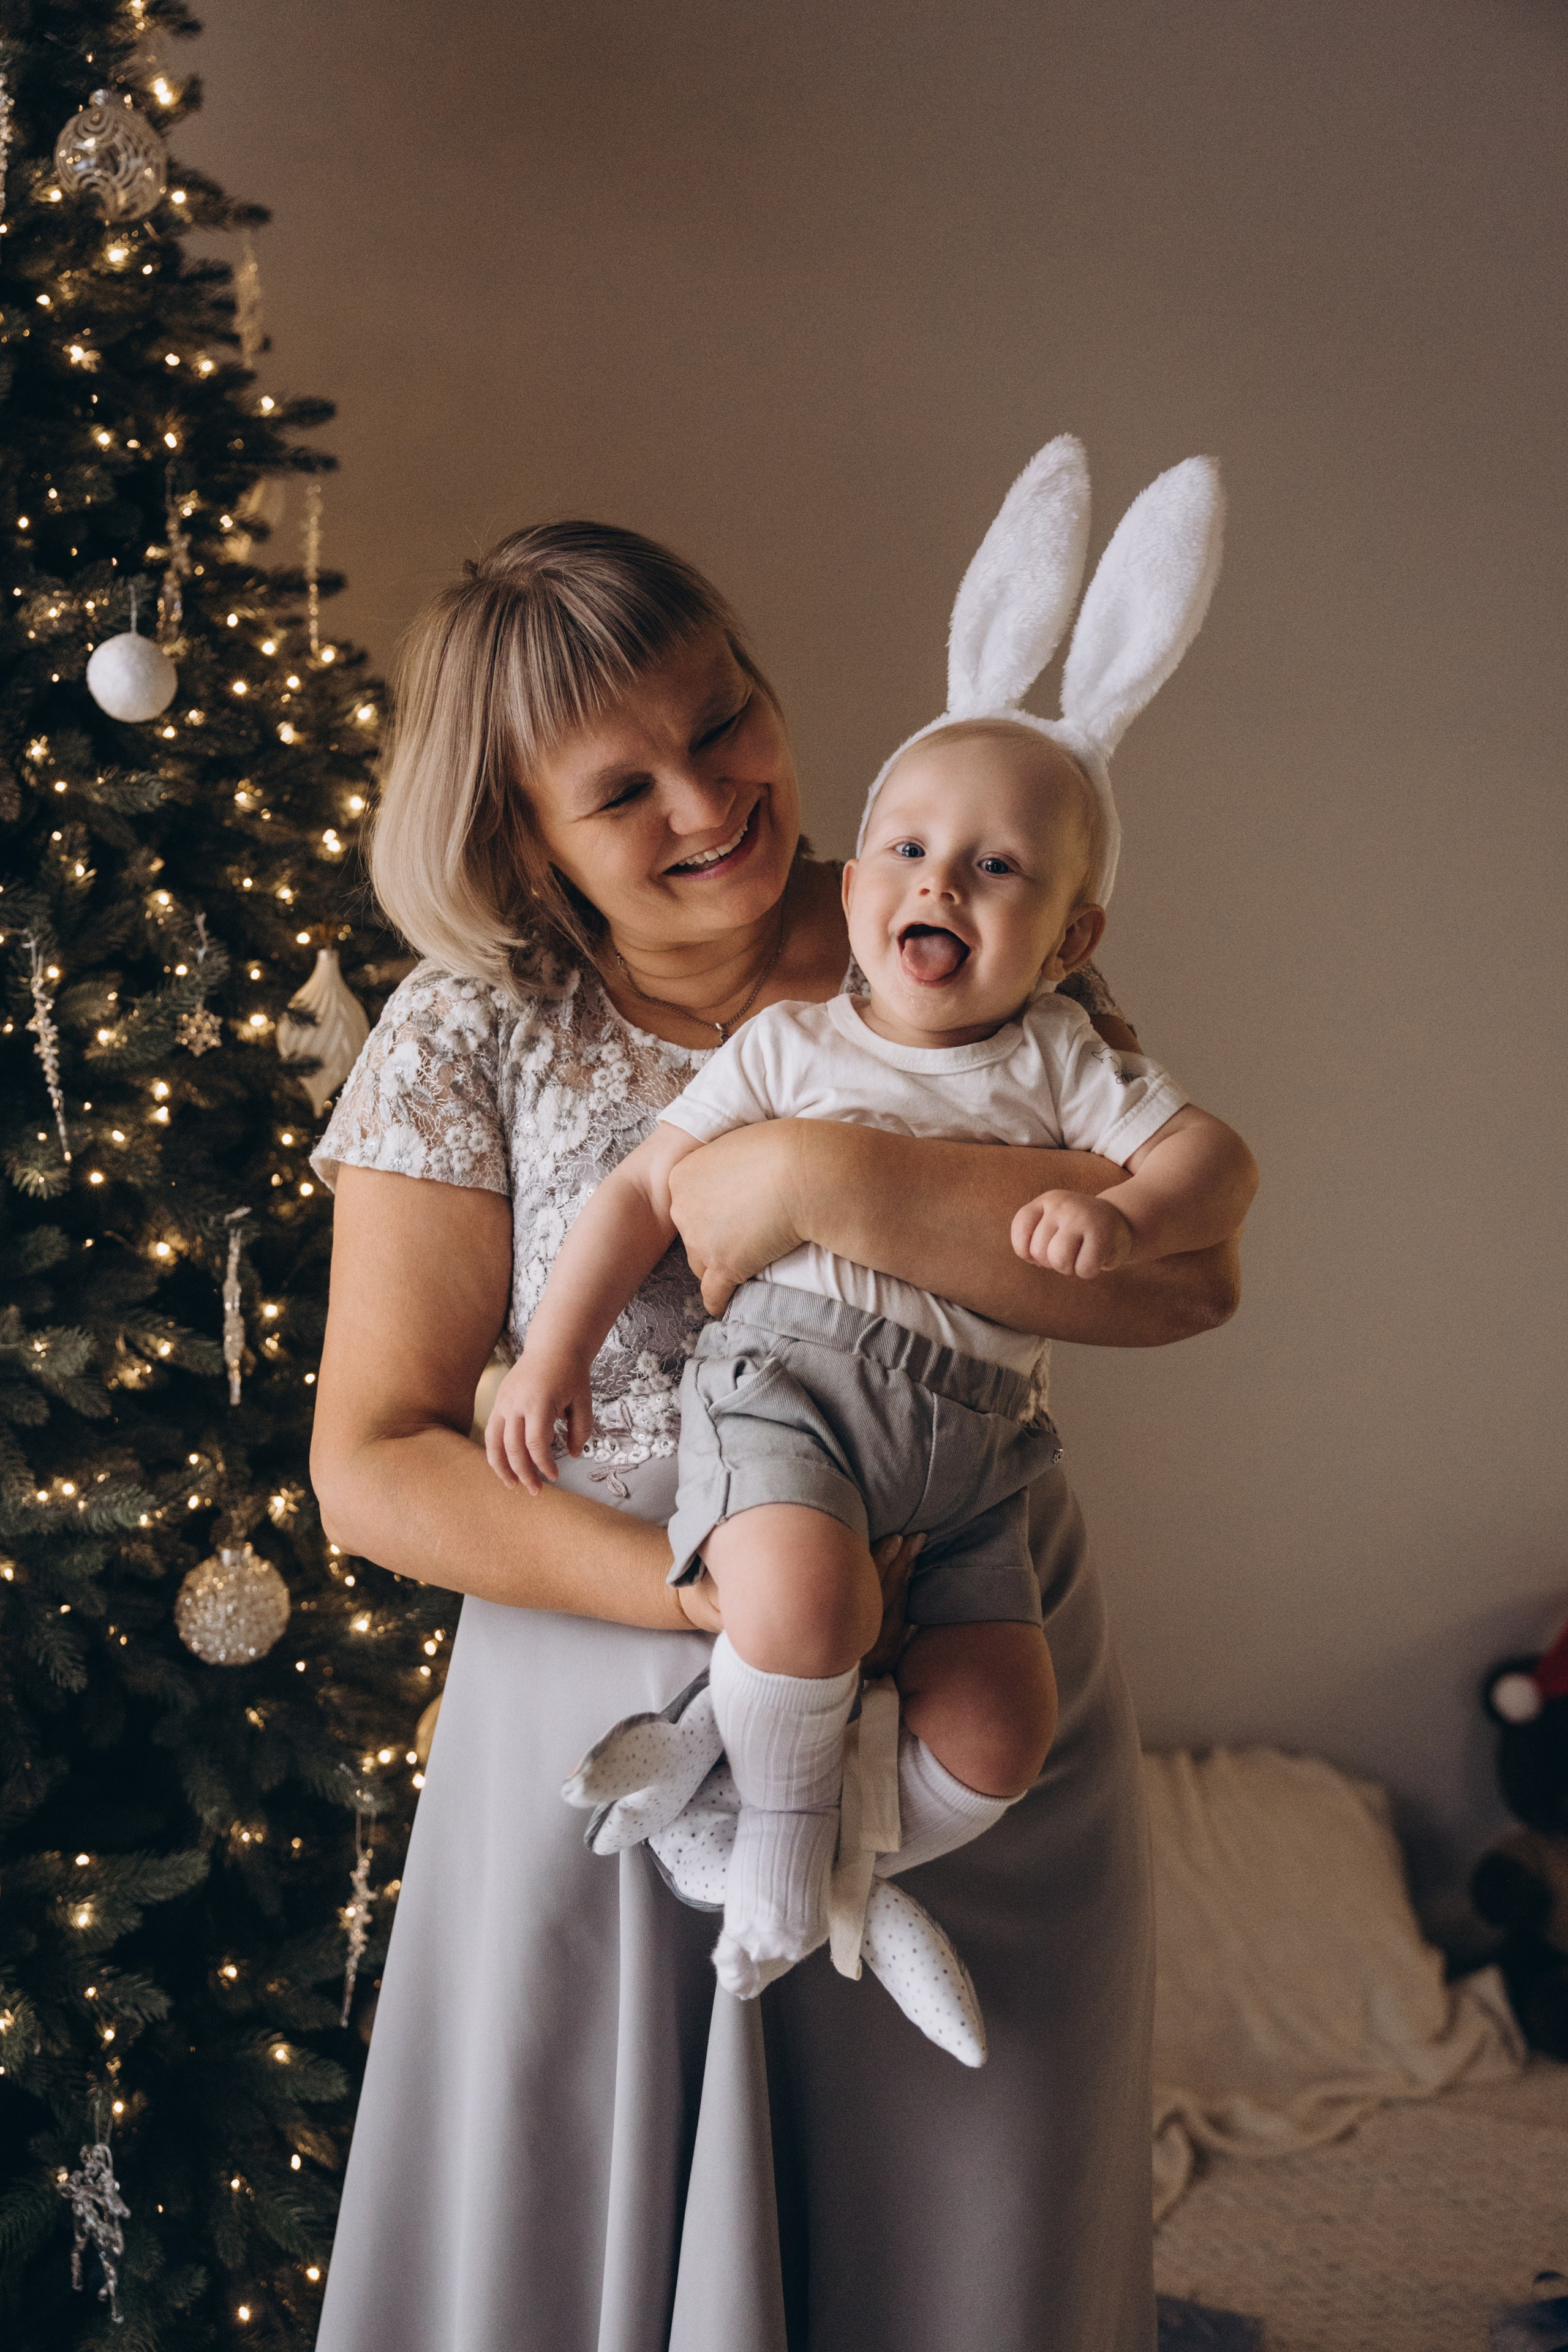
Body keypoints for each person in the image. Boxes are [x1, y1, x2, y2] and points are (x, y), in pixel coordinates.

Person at [309, 507, 1246, 2352]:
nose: (709, 799)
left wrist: (820, 1178)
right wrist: (714, 1610)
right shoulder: (462, 1030)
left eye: (724, 721)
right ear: (524, 836)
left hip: (979, 1634)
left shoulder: (957, 907)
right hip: (608, 1700)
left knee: (955, 2231)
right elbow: (373, 1463)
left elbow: (1181, 1280)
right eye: (623, 788)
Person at [488, 716, 1256, 2007]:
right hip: (790, 1398)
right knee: (800, 1612)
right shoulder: (792, 1049)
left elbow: (1215, 1169)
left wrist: (1125, 1214)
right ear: (855, 895)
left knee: (1003, 1731)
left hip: (976, 1448)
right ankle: (783, 1852)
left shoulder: (1064, 1060)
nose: (939, 882)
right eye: (904, 848)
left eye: (996, 867)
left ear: (1070, 940)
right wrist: (548, 1357)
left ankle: (842, 1853)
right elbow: (638, 1192)